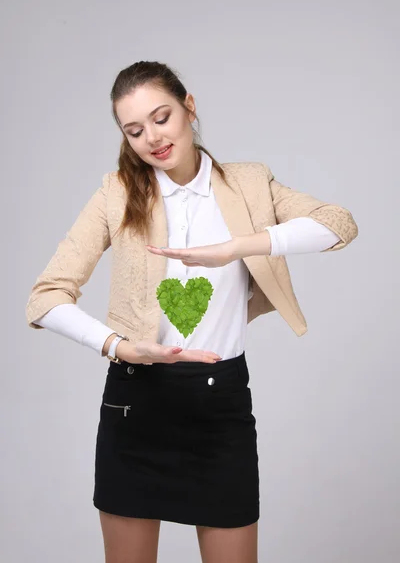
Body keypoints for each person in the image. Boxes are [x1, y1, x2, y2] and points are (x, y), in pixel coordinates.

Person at [25, 60, 358, 563]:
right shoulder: (116, 193)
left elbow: (338, 224)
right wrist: (118, 346)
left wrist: (236, 248)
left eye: (161, 118)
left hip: (219, 406)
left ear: (190, 107)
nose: (151, 138)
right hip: (134, 403)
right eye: (134, 130)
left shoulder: (248, 183)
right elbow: (45, 297)